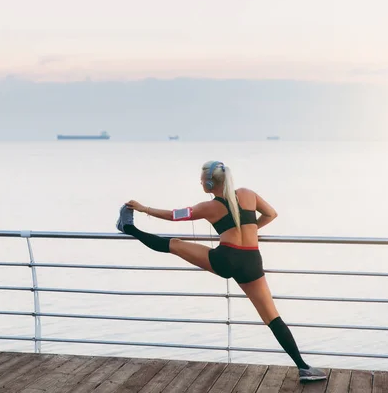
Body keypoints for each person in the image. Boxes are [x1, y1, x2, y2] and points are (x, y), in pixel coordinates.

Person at [116, 160, 327, 383]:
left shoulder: (209, 207)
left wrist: (142, 208)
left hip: (225, 259)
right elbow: (271, 214)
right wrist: (250, 228)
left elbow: (173, 215)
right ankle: (303, 367)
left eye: (200, 180)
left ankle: (128, 228)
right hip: (252, 261)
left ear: (209, 183)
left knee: (174, 244)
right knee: (272, 317)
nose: (199, 183)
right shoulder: (248, 194)